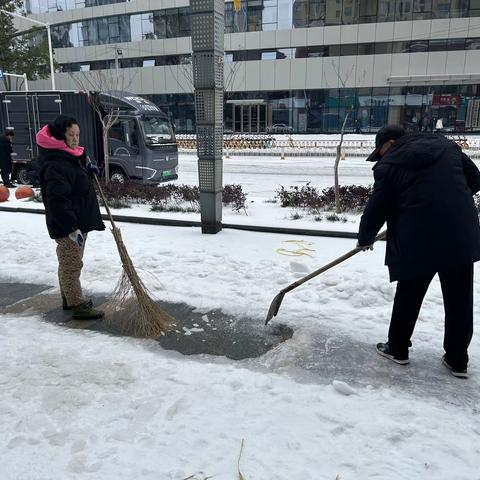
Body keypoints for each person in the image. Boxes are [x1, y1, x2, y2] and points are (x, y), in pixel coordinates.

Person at [357, 125, 480, 378]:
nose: (380, 157)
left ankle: (398, 348)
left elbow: (377, 207)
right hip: (459, 234)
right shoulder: (447, 146)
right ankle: (458, 360)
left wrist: (365, 238)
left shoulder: (388, 165)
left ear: (390, 143)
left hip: (417, 239)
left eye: (380, 151)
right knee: (460, 298)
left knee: (409, 294)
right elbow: (475, 181)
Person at [37, 115, 105, 320]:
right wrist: (71, 228)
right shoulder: (56, 163)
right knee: (71, 264)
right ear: (60, 135)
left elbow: (74, 183)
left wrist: (88, 172)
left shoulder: (69, 156)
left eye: (77, 134)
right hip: (69, 225)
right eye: (71, 135)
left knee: (69, 262)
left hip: (77, 221)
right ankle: (77, 304)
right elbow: (57, 201)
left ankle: (69, 297)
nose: (75, 139)